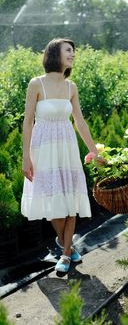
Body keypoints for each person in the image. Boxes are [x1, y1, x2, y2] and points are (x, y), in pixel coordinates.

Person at [21, 38, 99, 273]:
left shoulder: (70, 87)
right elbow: (27, 123)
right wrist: (26, 156)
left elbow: (80, 122)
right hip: (43, 147)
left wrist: (94, 150)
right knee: (53, 198)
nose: (73, 54)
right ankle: (67, 244)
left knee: (70, 196)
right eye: (68, 51)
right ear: (55, 54)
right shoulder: (37, 84)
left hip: (66, 146)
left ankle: (65, 254)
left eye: (73, 51)